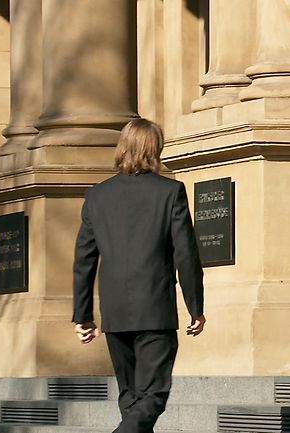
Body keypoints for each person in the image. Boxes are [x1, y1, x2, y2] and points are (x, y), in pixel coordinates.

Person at [71, 118, 205, 433]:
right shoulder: (171, 192)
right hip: (154, 308)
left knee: (131, 399)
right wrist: (195, 306)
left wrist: (83, 315)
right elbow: (185, 254)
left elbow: (84, 258)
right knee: (152, 396)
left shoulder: (97, 196)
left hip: (115, 312)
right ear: (155, 149)